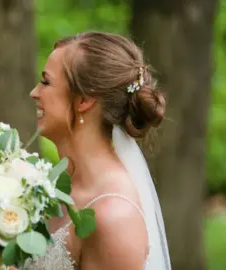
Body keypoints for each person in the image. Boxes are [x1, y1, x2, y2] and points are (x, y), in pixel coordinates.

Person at [24, 32, 172, 269]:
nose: (34, 92)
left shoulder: (115, 217)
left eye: (46, 82)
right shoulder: (53, 185)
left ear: (84, 100)